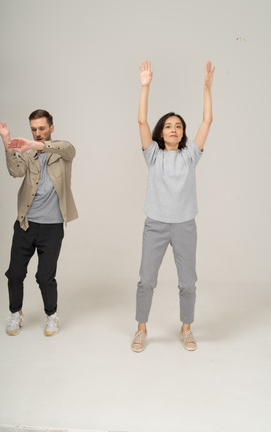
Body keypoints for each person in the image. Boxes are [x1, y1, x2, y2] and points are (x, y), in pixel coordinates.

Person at [132, 60, 215, 352]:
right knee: (146, 281)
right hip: (155, 225)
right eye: (168, 126)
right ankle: (141, 329)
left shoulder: (190, 155)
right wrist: (145, 87)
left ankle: (187, 328)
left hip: (184, 226)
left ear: (183, 133)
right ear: (161, 131)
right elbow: (141, 122)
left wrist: (207, 89)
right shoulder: (152, 155)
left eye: (178, 126)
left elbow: (207, 122)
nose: (173, 129)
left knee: (188, 283)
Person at [0, 110, 78, 336]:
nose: (38, 133)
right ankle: (16, 313)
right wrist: (6, 141)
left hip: (52, 227)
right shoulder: (29, 154)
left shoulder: (62, 151)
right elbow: (15, 171)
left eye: (42, 128)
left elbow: (70, 148)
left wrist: (35, 145)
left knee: (44, 276)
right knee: (14, 273)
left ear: (51, 127)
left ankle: (52, 316)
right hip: (26, 224)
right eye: (34, 129)